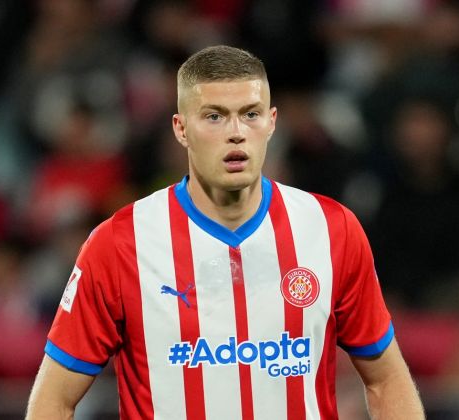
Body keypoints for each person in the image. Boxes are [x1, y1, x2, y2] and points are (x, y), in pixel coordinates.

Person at [25, 45, 425, 419]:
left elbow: (386, 379)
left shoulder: (331, 229)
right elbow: (53, 399)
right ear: (181, 129)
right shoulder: (120, 244)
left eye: (250, 114)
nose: (236, 131)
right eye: (214, 116)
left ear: (271, 123)